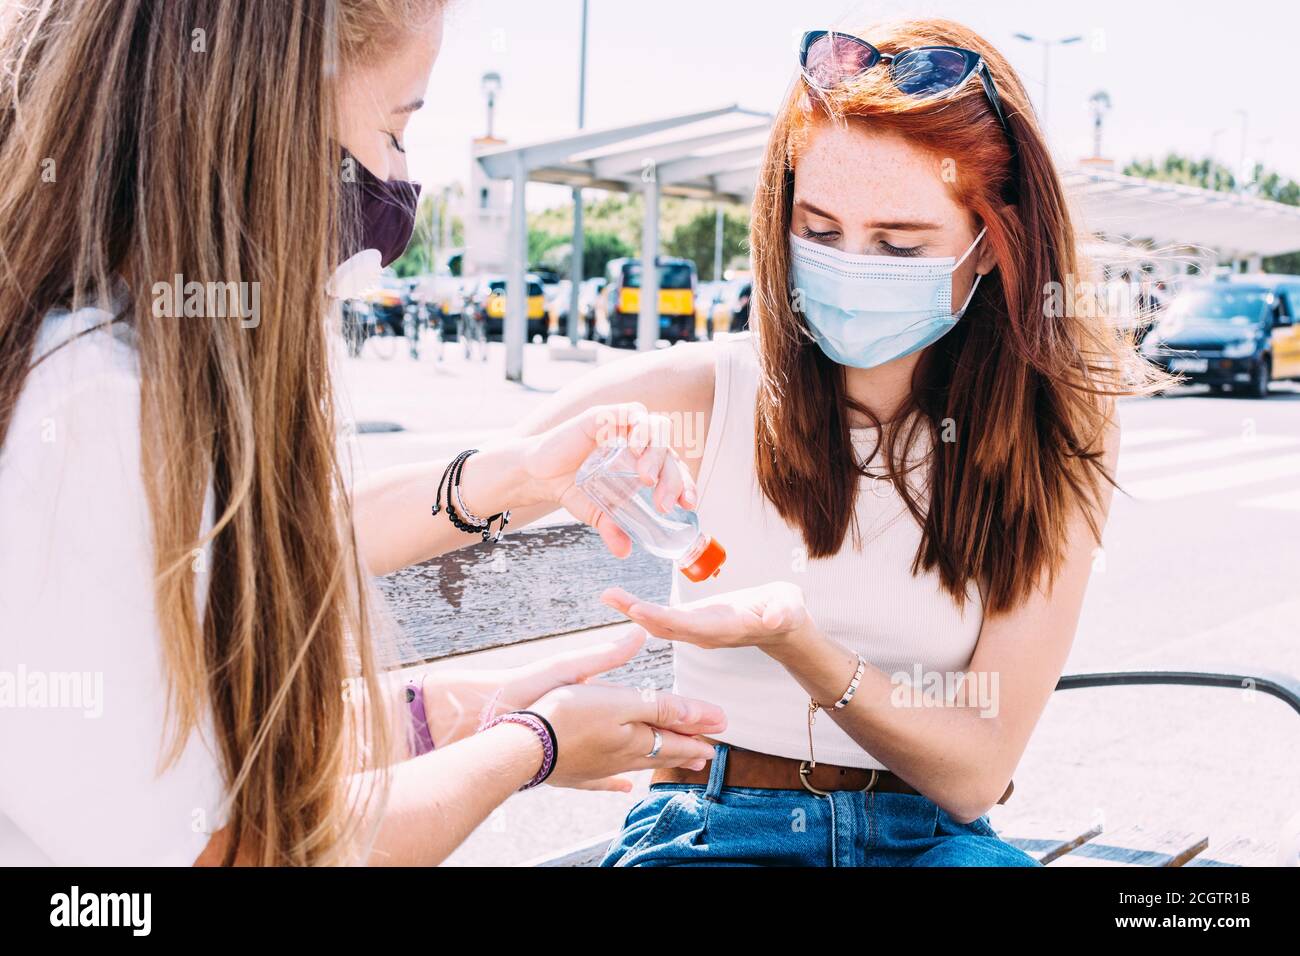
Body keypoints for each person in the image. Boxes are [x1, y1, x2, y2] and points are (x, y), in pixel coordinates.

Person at [0, 0, 724, 866]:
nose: (400, 191)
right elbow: (232, 854)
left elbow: (266, 576)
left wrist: (524, 480)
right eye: (395, 129)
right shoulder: (96, 419)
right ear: (260, 117)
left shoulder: (115, 371)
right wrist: (531, 745)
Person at [517, 17, 1168, 866]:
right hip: (714, 830)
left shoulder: (1060, 426)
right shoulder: (702, 392)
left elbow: (975, 773)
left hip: (935, 838)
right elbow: (452, 492)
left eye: (899, 244)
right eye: (819, 233)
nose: (850, 267)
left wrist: (802, 647)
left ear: (990, 247)